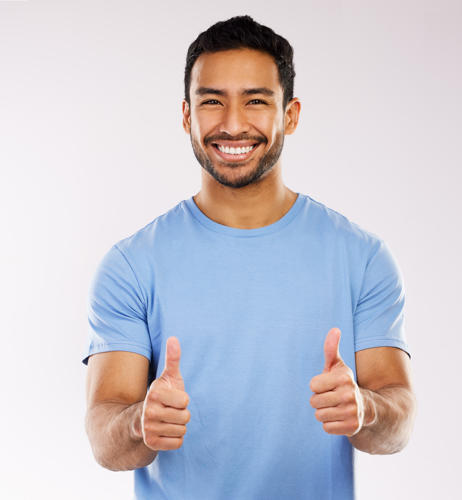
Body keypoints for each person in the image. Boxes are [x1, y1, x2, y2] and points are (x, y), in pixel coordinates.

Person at [83, 15, 416, 500]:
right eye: (212, 101)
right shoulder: (132, 264)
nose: (232, 124)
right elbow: (104, 437)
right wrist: (139, 423)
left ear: (291, 114)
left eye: (256, 101)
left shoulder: (361, 256)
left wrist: (367, 409)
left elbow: (398, 421)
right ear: (186, 116)